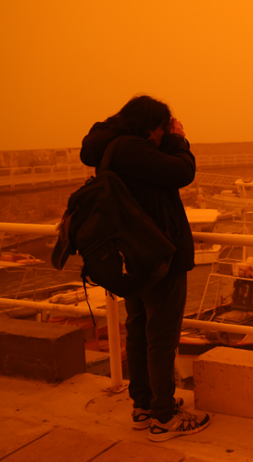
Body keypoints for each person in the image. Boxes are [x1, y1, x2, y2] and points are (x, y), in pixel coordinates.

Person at [80, 94, 210, 442]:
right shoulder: (133, 149)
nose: (162, 134)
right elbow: (183, 171)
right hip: (157, 258)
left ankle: (145, 406)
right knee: (161, 339)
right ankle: (164, 418)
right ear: (151, 127)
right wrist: (178, 138)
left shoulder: (111, 148)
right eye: (161, 127)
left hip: (135, 257)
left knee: (138, 332)